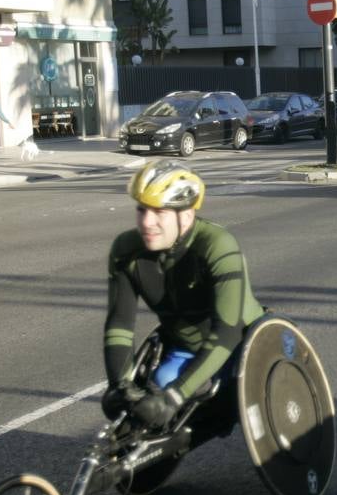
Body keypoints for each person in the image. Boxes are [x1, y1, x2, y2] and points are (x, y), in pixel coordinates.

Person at [101, 160, 266, 431]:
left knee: (220, 397)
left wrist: (175, 396)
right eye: (141, 210)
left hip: (243, 345)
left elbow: (228, 330)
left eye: (159, 212)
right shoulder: (125, 250)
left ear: (186, 216)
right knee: (160, 382)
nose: (146, 222)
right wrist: (118, 387)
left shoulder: (217, 244)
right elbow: (119, 325)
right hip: (186, 348)